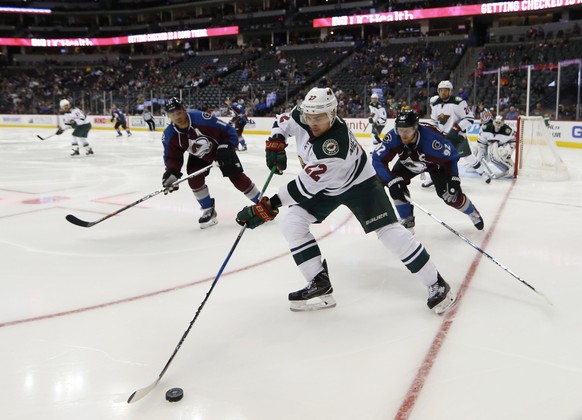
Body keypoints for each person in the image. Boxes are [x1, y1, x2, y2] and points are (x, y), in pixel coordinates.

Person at [235, 87, 456, 315]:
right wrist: (276, 140)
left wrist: (268, 206)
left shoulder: (334, 146)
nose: (312, 122)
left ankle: (436, 283)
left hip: (360, 183)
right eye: (309, 116)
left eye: (319, 118)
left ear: (332, 114)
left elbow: (301, 188)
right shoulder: (304, 114)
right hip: (327, 185)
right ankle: (319, 286)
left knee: (389, 232)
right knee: (292, 222)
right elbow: (282, 121)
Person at [372, 109, 484, 233]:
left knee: (450, 196)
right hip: (410, 162)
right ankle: (406, 219)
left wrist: (454, 178)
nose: (403, 135)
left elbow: (451, 157)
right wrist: (390, 181)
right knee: (396, 186)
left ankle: (472, 211)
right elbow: (378, 159)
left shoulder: (432, 140)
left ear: (416, 128)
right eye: (400, 130)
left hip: (437, 165)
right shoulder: (393, 137)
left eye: (407, 131)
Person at [161, 97, 261, 229]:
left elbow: (229, 130)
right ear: (168, 116)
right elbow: (173, 157)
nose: (177, 117)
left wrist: (227, 146)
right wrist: (171, 172)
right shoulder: (170, 134)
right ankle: (208, 209)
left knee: (237, 178)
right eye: (173, 114)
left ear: (184, 110)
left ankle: (261, 203)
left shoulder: (201, 118)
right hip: (199, 155)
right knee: (194, 178)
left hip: (222, 149)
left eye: (179, 112)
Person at [426, 80, 491, 187]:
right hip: (442, 136)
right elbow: (434, 121)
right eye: (441, 90)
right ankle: (434, 178)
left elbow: (469, 119)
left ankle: (482, 173)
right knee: (436, 158)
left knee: (468, 157)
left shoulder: (459, 102)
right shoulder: (435, 103)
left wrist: (456, 129)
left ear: (450, 91)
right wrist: (433, 132)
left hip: (457, 136)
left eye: (446, 90)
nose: (443, 92)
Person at [477, 111, 516, 178]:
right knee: (476, 150)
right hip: (488, 146)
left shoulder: (507, 131)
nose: (498, 124)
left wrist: (509, 151)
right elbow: (481, 144)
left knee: (500, 154)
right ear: (493, 122)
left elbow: (514, 141)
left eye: (499, 123)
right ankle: (475, 165)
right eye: (496, 122)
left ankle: (509, 167)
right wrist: (480, 154)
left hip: (502, 147)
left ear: (503, 123)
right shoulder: (485, 128)